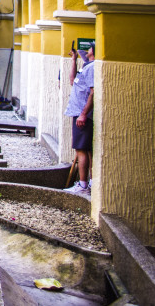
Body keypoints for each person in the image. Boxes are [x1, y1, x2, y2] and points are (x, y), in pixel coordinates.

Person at [64, 45, 95, 197]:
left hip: (83, 113)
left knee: (81, 149)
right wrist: (74, 60)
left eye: (89, 49)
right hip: (78, 111)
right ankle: (87, 183)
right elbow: (72, 80)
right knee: (83, 149)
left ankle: (83, 185)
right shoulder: (86, 66)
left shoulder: (92, 68)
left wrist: (83, 114)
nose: (87, 50)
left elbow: (93, 93)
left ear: (93, 52)